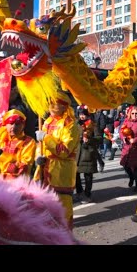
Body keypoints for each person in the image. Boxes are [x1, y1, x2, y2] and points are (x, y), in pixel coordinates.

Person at [34, 92, 81, 230]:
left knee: (62, 210)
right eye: (50, 102)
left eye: (55, 103)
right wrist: (38, 158)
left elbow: (64, 151)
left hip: (62, 173)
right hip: (46, 169)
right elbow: (40, 146)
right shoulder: (47, 121)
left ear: (64, 106)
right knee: (44, 209)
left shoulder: (70, 125)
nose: (51, 106)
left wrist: (47, 138)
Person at [0, 109, 36, 179]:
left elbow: (23, 168)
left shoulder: (29, 142)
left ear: (23, 125)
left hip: (16, 185)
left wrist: (3, 157)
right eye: (11, 123)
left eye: (17, 124)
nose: (14, 126)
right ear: (5, 125)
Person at [75, 123, 104, 203]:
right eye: (80, 114)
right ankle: (79, 192)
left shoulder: (93, 125)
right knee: (75, 174)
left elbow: (99, 139)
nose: (82, 116)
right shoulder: (76, 124)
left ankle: (87, 194)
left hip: (88, 154)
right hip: (77, 154)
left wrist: (89, 139)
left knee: (88, 175)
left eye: (84, 114)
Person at [119, 105, 137, 193]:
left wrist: (135, 140)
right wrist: (123, 137)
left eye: (136, 113)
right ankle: (131, 177)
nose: (134, 115)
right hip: (127, 147)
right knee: (126, 166)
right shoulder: (126, 121)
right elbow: (121, 131)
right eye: (133, 113)